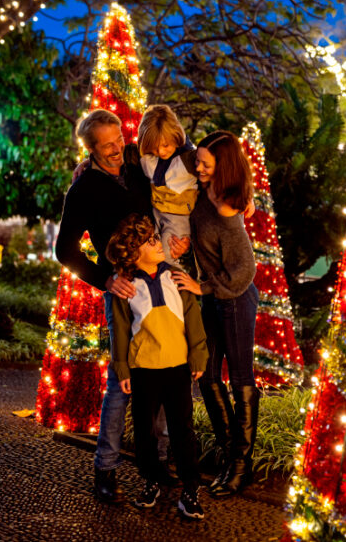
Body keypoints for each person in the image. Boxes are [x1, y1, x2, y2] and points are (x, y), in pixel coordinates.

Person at [54, 109, 169, 504]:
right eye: (108, 145)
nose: (119, 147)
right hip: (121, 290)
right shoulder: (83, 188)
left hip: (160, 278)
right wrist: (105, 279)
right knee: (121, 385)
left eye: (119, 138)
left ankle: (162, 465)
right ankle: (105, 470)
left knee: (168, 371)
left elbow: (179, 158)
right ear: (91, 150)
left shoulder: (137, 161)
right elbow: (64, 251)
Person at [171, 131, 260, 498]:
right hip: (214, 298)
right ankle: (228, 456)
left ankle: (241, 466)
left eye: (207, 163)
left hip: (236, 299)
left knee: (240, 379)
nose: (199, 166)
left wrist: (202, 287)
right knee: (206, 376)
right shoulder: (205, 189)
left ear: (223, 167)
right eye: (200, 161)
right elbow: (181, 147)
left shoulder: (228, 209)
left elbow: (245, 270)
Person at [105, 213, 208, 519]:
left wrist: (198, 356)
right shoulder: (125, 288)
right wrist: (122, 368)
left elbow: (193, 320)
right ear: (135, 253)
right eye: (150, 241)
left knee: (182, 431)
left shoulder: (177, 277)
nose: (157, 242)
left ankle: (190, 489)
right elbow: (120, 331)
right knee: (145, 433)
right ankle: (150, 481)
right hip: (142, 371)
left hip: (177, 369)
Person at [137, 105, 198, 268]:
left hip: (178, 216)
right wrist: (89, 163)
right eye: (154, 147)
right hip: (156, 211)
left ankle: (174, 287)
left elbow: (220, 171)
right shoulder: (148, 159)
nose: (160, 151)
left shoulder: (190, 158)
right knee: (146, 252)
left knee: (168, 253)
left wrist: (246, 197)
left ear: (175, 136)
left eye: (165, 145)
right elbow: (122, 157)